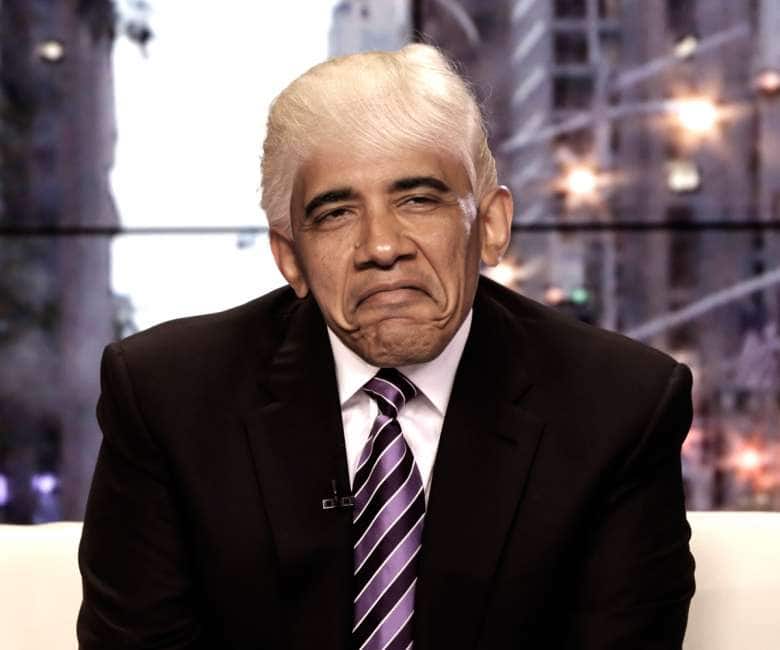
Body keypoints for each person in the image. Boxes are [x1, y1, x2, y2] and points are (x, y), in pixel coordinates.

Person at [77, 44, 695, 649]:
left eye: (418, 199)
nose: (381, 246)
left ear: (491, 226)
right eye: (335, 213)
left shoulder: (620, 407)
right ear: (290, 258)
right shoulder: (168, 397)